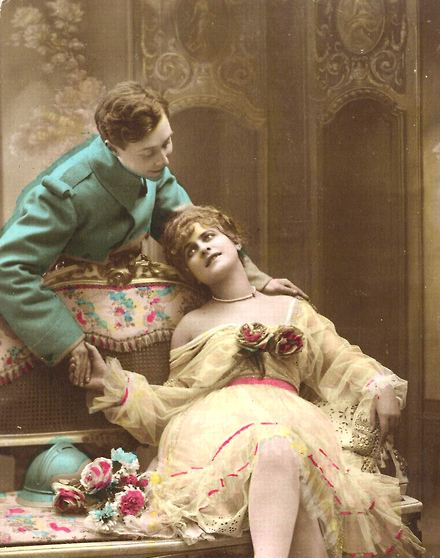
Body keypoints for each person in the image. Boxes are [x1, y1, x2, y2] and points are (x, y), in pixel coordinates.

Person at [80, 205, 423, 558]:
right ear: (189, 271)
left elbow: (339, 357)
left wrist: (380, 384)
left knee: (282, 449)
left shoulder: (290, 309)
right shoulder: (193, 324)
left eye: (209, 237)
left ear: (235, 240)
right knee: (276, 447)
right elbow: (176, 398)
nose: (203, 249)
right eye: (190, 251)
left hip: (292, 423)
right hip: (217, 432)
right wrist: (114, 386)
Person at [0, 81, 303, 389]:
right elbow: (8, 268)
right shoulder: (66, 192)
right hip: (66, 303)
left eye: (166, 143)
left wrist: (257, 280)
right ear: (112, 148)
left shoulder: (152, 169)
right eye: (148, 152)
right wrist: (66, 341)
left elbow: (189, 228)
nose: (163, 160)